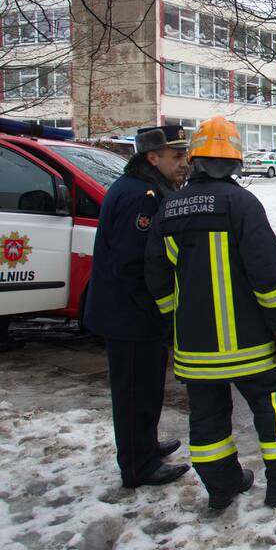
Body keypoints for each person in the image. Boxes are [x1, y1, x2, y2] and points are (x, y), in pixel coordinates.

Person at [144, 116, 276, 511]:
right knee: (273, 411)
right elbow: (267, 276)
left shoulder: (168, 210)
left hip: (195, 349)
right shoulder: (242, 204)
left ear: (194, 159)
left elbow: (157, 278)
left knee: (207, 419)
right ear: (235, 162)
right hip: (249, 345)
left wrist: (177, 326)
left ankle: (222, 486)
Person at [83, 125, 192, 489]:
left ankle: (143, 445)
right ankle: (137, 466)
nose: (184, 162)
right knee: (134, 391)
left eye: (185, 155)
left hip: (136, 312)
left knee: (146, 386)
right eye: (177, 156)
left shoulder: (145, 188)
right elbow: (134, 263)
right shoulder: (142, 196)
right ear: (152, 157)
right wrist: (158, 307)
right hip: (130, 313)